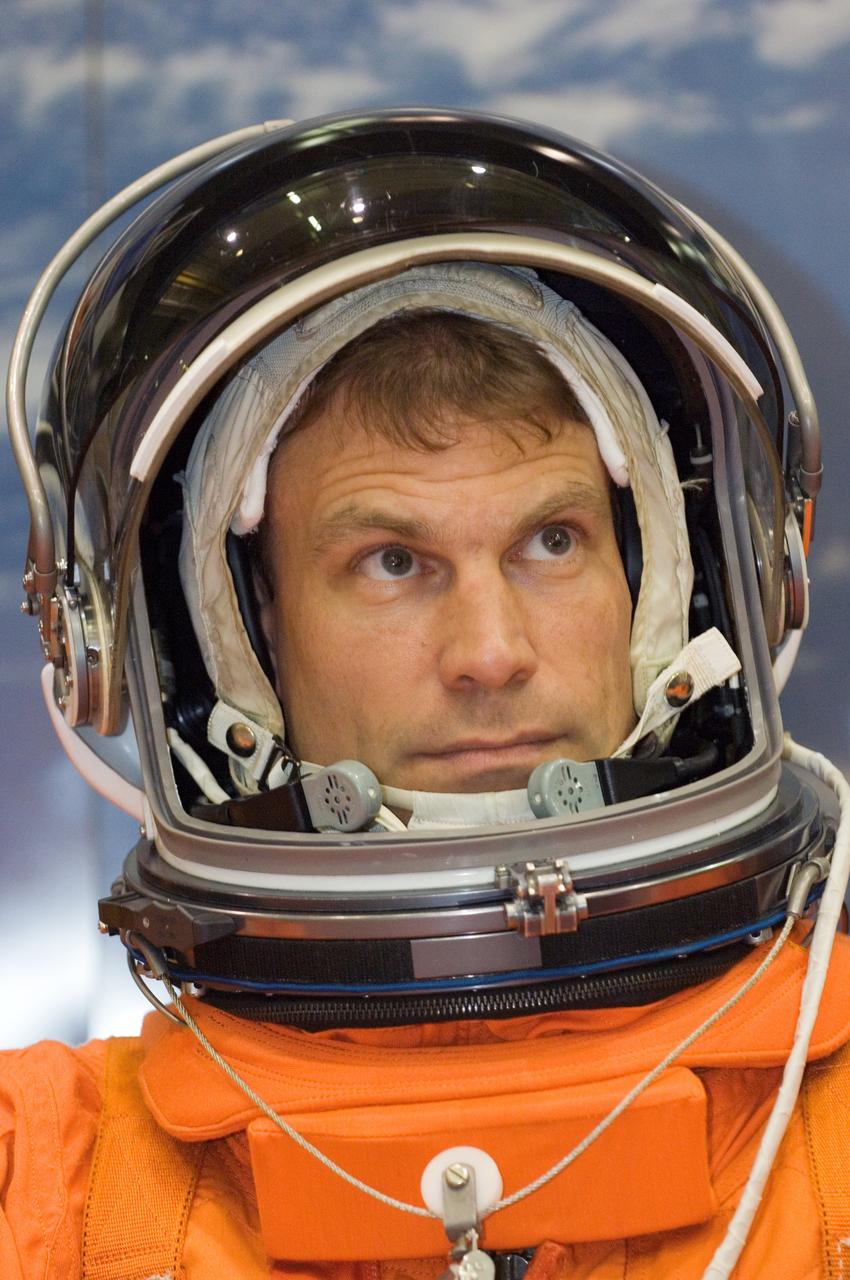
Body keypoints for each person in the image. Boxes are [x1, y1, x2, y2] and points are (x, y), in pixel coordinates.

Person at [4, 108, 849, 1280]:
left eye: (551, 539)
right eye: (392, 561)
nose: (490, 653)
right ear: (241, 632)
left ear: (673, 585)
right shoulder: (53, 1183)